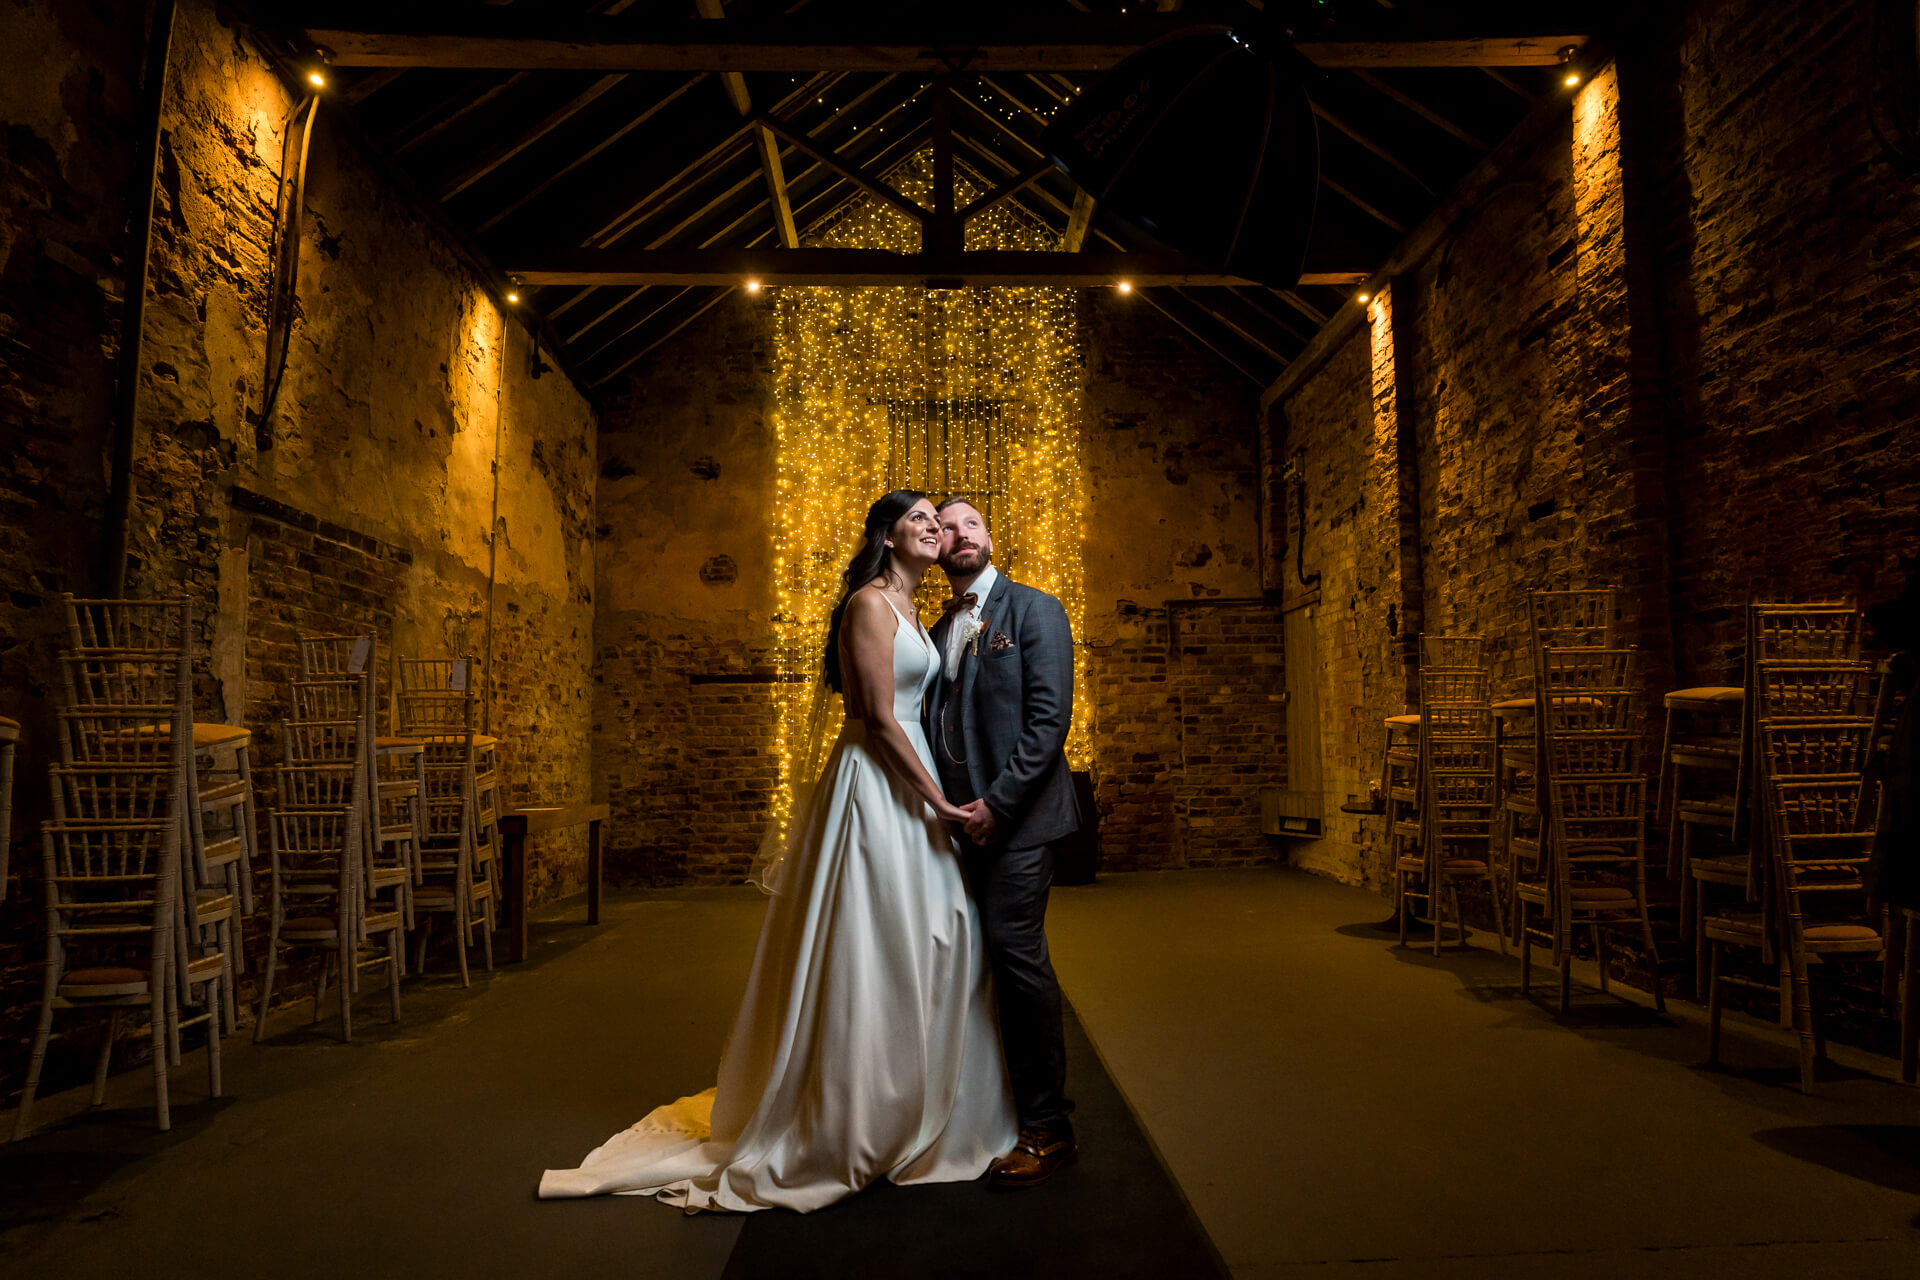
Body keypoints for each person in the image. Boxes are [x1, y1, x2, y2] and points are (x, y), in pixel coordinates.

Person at [539, 491, 1016, 1210]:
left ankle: (923, 1102)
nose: (934, 529)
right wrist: (941, 803)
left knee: (939, 934)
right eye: (920, 518)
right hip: (880, 783)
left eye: (938, 521)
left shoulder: (921, 610)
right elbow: (882, 722)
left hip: (913, 778)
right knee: (872, 942)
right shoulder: (869, 605)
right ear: (887, 538)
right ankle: (850, 1114)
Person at [926, 496, 1083, 1188]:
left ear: (989, 537)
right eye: (946, 528)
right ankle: (974, 1110)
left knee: (1018, 960)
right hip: (956, 824)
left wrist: (997, 804)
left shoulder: (1034, 610)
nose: (960, 535)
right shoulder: (937, 628)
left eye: (972, 524)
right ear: (933, 549)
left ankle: (1050, 1128)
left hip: (1018, 824)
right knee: (963, 959)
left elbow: (1050, 723)